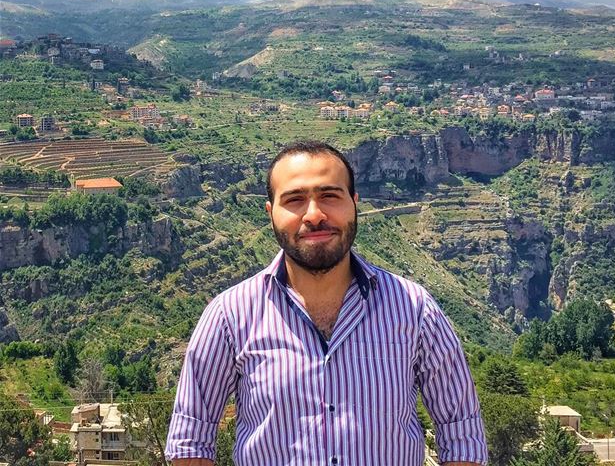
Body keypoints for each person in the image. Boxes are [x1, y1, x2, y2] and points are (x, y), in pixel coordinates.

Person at [166, 141, 488, 466]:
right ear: (270, 213)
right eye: (294, 200)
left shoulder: (415, 310)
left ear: (354, 203)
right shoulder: (228, 316)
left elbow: (461, 431)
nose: (314, 215)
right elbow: (190, 440)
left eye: (330, 196)